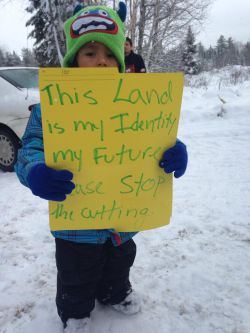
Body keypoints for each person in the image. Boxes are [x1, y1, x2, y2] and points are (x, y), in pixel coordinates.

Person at [15, 3, 188, 333]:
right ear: (74, 60)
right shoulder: (51, 108)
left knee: (119, 264)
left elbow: (157, 138)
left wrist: (175, 151)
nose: (101, 61)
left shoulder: (135, 103)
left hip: (123, 219)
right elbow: (31, 148)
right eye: (90, 53)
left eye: (109, 54)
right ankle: (75, 311)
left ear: (120, 61)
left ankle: (115, 293)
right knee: (76, 274)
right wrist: (35, 170)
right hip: (76, 225)